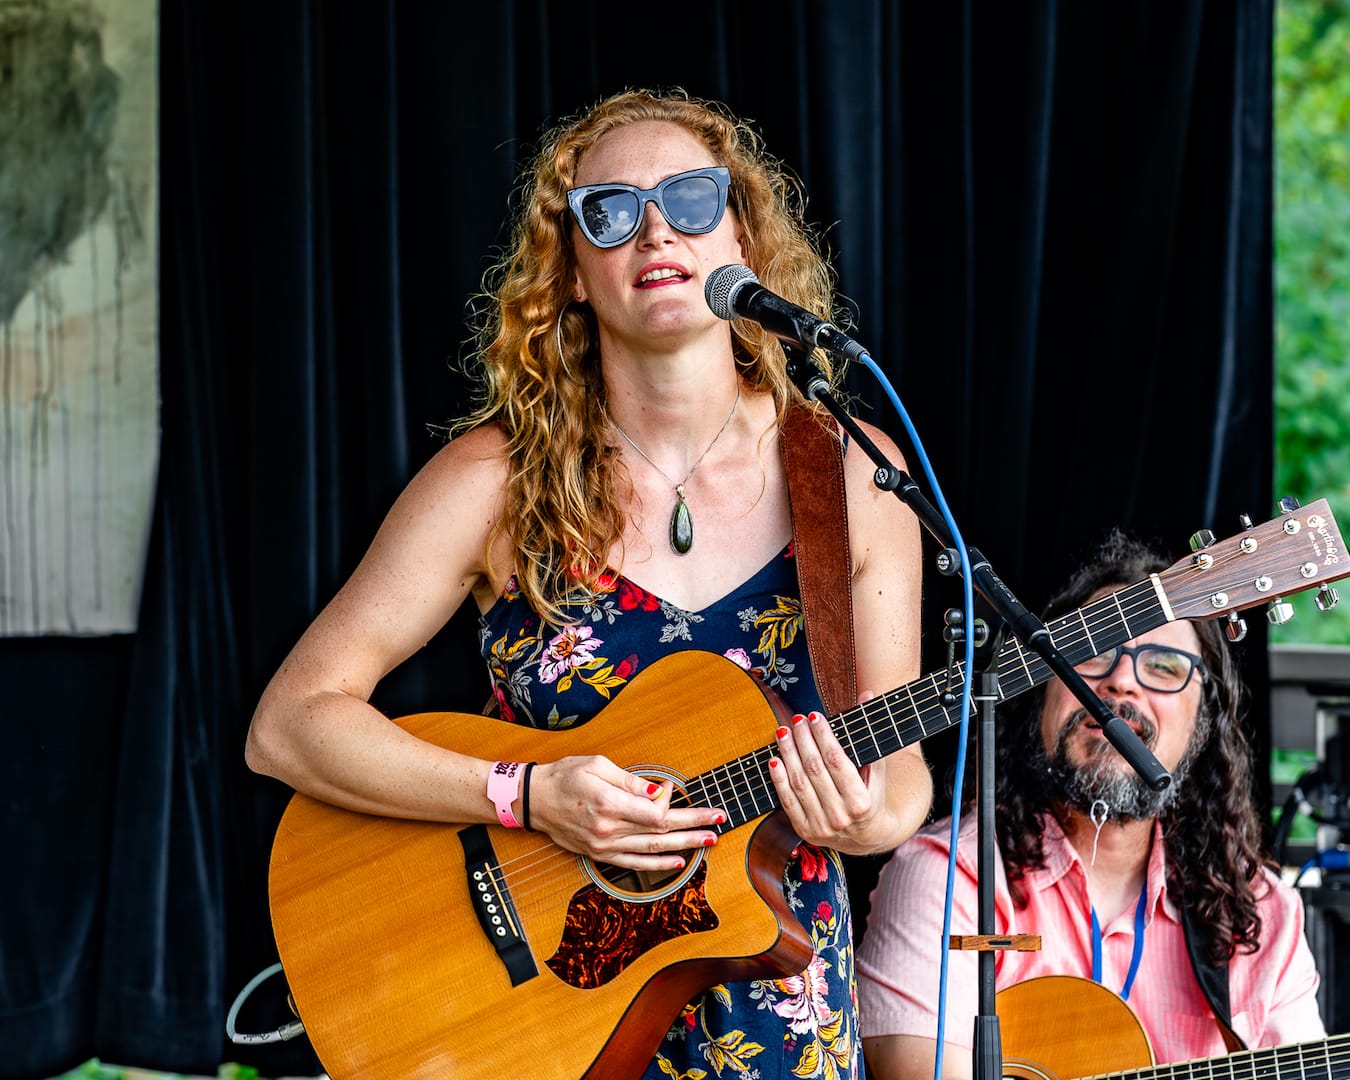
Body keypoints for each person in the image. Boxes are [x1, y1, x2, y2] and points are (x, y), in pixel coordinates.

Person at [246, 87, 932, 1079]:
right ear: (570, 269)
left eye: (691, 198)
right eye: (609, 211)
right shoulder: (493, 485)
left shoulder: (854, 474)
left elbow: (901, 778)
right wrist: (526, 795)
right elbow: (288, 725)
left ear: (743, 237)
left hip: (780, 1011)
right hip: (538, 1029)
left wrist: (863, 817)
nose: (656, 230)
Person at [855, 529, 1326, 1080]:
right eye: (1091, 653)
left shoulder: (1261, 914)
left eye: (1164, 666)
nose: (1121, 683)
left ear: (1205, 718)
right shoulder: (951, 879)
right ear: (1043, 691)